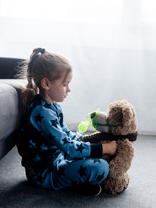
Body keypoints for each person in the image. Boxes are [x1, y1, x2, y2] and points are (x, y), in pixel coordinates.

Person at [18, 47, 117, 196]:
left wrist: (94, 140)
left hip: (59, 159)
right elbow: (69, 148)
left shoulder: (53, 107)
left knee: (94, 157)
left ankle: (76, 179)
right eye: (65, 84)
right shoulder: (42, 112)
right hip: (44, 174)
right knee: (100, 167)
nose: (68, 89)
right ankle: (71, 183)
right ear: (46, 84)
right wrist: (104, 149)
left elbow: (67, 136)